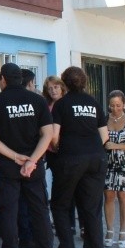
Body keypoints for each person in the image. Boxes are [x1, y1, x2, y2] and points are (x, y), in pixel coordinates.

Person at [0, 63, 56, 248]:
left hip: (6, 167)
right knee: (40, 212)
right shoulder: (38, 101)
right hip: (34, 167)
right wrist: (32, 160)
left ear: (4, 80)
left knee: (8, 214)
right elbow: (48, 134)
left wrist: (15, 157)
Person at [50, 66, 109, 248]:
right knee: (92, 207)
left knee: (60, 203)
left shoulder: (61, 104)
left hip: (70, 158)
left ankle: (66, 246)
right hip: (96, 158)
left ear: (64, 83)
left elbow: (55, 135)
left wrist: (57, 148)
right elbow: (105, 136)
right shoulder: (94, 103)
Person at [42, 75, 80, 237]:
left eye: (56, 87)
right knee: (59, 189)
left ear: (62, 87)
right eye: (50, 88)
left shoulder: (67, 104)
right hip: (52, 152)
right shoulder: (47, 106)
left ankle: (72, 225)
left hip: (68, 152)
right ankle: (62, 225)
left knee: (71, 190)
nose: (53, 91)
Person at [103, 90, 125, 248]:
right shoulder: (104, 119)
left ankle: (124, 231)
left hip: (123, 163)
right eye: (112, 105)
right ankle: (110, 230)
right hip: (108, 163)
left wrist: (116, 146)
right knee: (109, 196)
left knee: (123, 196)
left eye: (118, 105)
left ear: (124, 104)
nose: (115, 108)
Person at [15, 68, 39, 248]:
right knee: (33, 201)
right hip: (32, 158)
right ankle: (29, 236)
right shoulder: (37, 102)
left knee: (19, 201)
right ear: (30, 83)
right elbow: (47, 134)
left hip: (11, 159)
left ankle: (23, 235)